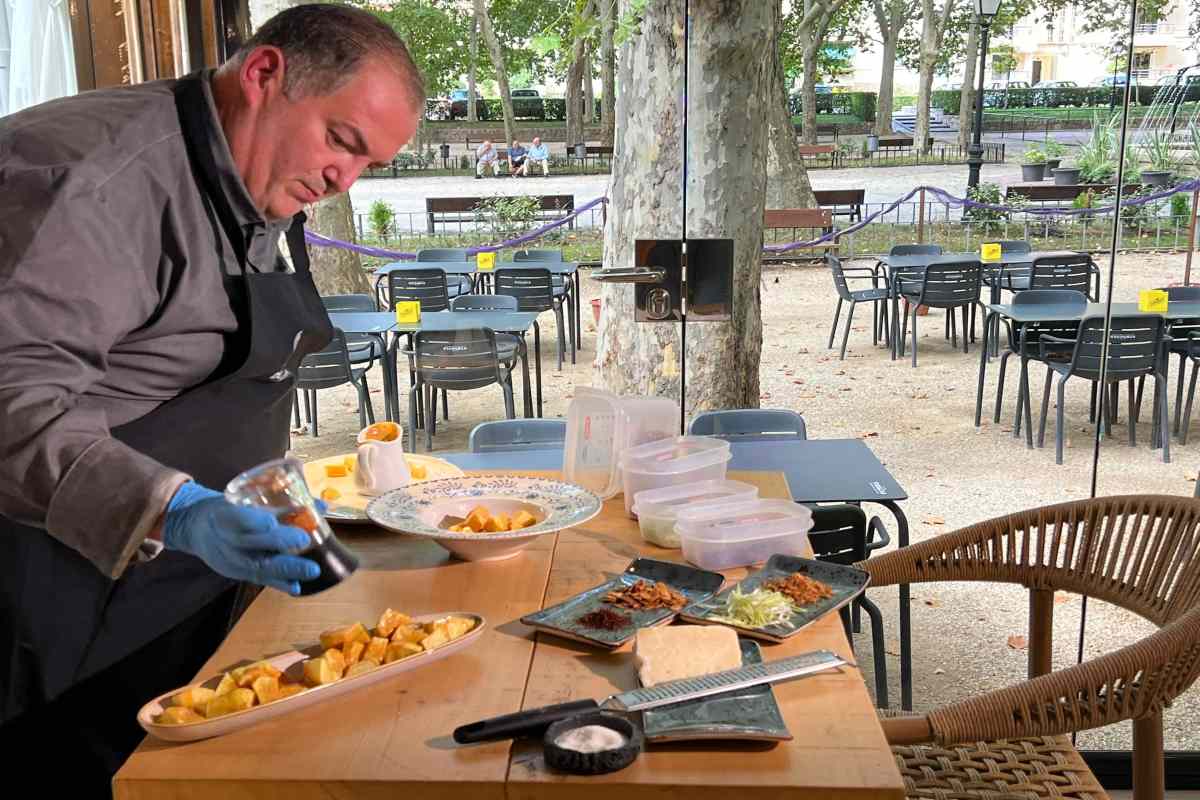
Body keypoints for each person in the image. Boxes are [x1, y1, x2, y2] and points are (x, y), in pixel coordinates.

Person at [0, 3, 423, 791]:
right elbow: (11, 403)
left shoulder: (259, 170)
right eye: (342, 142)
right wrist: (180, 508)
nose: (343, 181)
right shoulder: (92, 179)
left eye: (368, 165)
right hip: (58, 587)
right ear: (264, 74)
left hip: (183, 585)